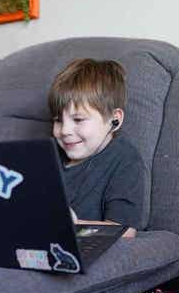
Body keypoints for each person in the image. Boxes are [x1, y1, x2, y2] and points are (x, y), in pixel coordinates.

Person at [48, 58, 146, 238]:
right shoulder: (48, 153)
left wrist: (73, 225)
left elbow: (124, 231)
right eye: (58, 120)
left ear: (114, 119)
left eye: (78, 119)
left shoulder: (125, 160)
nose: (65, 131)